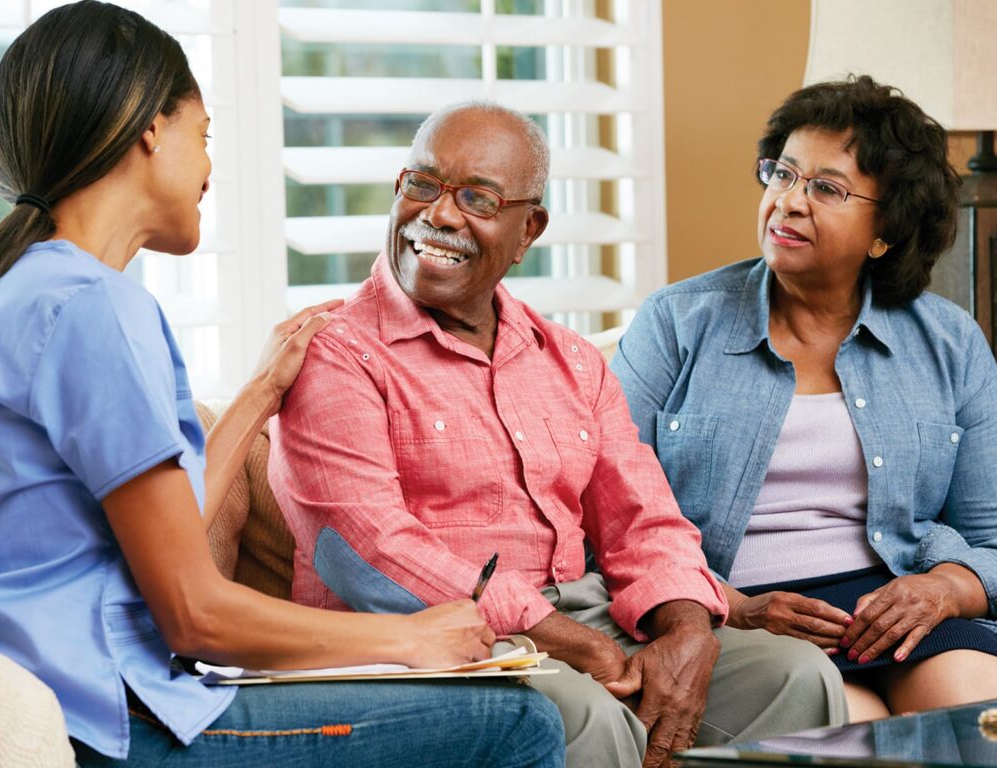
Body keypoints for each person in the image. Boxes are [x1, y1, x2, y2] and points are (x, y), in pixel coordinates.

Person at [0, 3, 566, 766]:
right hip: (115, 722)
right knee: (517, 725)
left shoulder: (19, 290)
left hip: (68, 695)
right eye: (205, 134)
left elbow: (164, 543)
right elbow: (194, 614)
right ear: (151, 129)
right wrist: (409, 635)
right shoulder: (94, 308)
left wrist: (257, 395)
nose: (210, 169)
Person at [268, 100, 848, 768]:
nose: (440, 214)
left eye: (477, 198)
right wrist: (568, 641)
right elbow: (366, 552)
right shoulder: (337, 352)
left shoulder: (569, 359)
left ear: (528, 229)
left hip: (583, 620)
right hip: (427, 645)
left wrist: (686, 629)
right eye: (421, 185)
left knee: (795, 677)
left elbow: (645, 521)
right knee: (584, 714)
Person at [610, 75, 997, 723]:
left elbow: (990, 535)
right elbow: (609, 513)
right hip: (738, 610)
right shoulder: (678, 322)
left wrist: (948, 587)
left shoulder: (948, 340)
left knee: (976, 712)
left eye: (826, 188)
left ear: (887, 230)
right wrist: (729, 605)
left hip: (891, 608)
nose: (787, 202)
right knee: (854, 728)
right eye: (782, 175)